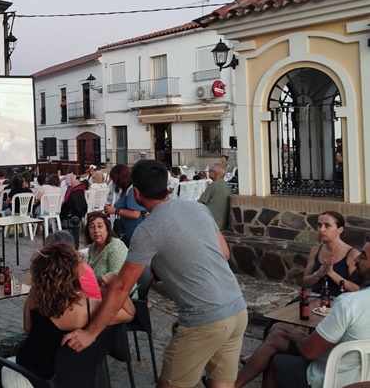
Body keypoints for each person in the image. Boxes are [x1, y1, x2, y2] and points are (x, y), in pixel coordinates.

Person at [63, 160, 247, 388]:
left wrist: (90, 334)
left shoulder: (148, 229)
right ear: (166, 185)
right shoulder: (198, 208)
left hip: (204, 319)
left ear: (137, 192)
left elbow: (121, 288)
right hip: (237, 309)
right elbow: (224, 253)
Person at [234, 237, 370, 388]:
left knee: (277, 357)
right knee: (279, 331)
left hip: (329, 379)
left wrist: (294, 334)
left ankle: (232, 385)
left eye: (363, 256)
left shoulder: (350, 303)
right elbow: (306, 281)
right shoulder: (318, 252)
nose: (357, 259)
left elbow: (309, 351)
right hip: (363, 376)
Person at [0, 243, 134, 388]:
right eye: (76, 257)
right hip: (67, 377)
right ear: (70, 272)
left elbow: (28, 328)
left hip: (30, 374)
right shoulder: (85, 308)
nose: (80, 256)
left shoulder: (35, 295)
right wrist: (115, 287)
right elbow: (129, 313)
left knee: (2, 365)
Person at [302, 211, 361, 295]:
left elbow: (357, 289)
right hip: (315, 297)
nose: (321, 229)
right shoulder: (315, 250)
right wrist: (317, 274)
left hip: (339, 300)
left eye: (327, 225)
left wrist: (331, 273)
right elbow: (305, 282)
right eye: (319, 225)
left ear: (340, 229)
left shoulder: (352, 254)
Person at [103, 163, 146, 243]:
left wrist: (115, 211)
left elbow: (135, 214)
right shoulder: (127, 190)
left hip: (134, 230)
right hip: (128, 229)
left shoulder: (131, 191)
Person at [85, 212, 128, 287]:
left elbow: (119, 278)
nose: (96, 230)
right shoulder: (92, 247)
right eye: (92, 227)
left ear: (107, 229)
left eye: (100, 226)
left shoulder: (115, 246)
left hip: (118, 293)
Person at [199, 163, 232, 230]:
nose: (209, 173)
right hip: (222, 223)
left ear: (216, 174)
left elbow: (200, 203)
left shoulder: (213, 185)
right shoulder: (227, 186)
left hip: (210, 222)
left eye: (210, 171)